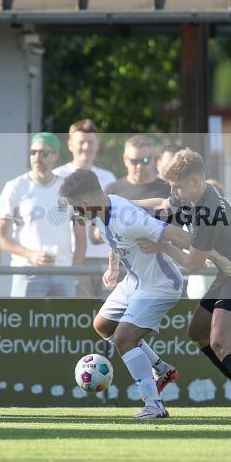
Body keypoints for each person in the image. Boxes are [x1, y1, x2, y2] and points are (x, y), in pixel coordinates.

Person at [142, 148, 231, 419]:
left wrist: (162, 247)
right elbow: (164, 204)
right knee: (198, 332)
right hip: (228, 274)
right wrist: (120, 204)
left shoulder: (207, 211)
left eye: (178, 187)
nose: (175, 192)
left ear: (195, 183)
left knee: (221, 342)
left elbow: (194, 264)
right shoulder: (195, 194)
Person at [58, 169, 187, 418]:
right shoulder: (102, 207)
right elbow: (113, 239)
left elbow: (175, 234)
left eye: (75, 207)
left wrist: (211, 252)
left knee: (123, 339)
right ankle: (161, 368)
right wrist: (113, 266)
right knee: (104, 326)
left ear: (84, 203)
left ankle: (154, 405)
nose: (76, 212)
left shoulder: (129, 218)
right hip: (135, 280)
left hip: (160, 285)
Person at [0, 132, 85, 297]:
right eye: (33, 152)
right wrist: (31, 255)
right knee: (23, 322)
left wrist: (73, 273)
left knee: (64, 323)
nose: (37, 157)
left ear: (55, 156)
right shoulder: (15, 187)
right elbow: (1, 239)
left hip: (63, 274)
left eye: (43, 153)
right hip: (27, 273)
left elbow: (81, 238)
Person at [53, 119, 116, 297]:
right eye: (81, 142)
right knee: (78, 316)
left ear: (97, 145)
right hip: (71, 258)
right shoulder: (57, 177)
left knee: (108, 318)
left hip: (106, 258)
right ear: (70, 144)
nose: (86, 147)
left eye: (91, 142)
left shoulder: (108, 178)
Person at [106, 135, 171, 201]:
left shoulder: (169, 190)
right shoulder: (111, 192)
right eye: (134, 161)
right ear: (125, 159)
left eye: (145, 160)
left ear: (152, 158)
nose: (139, 166)